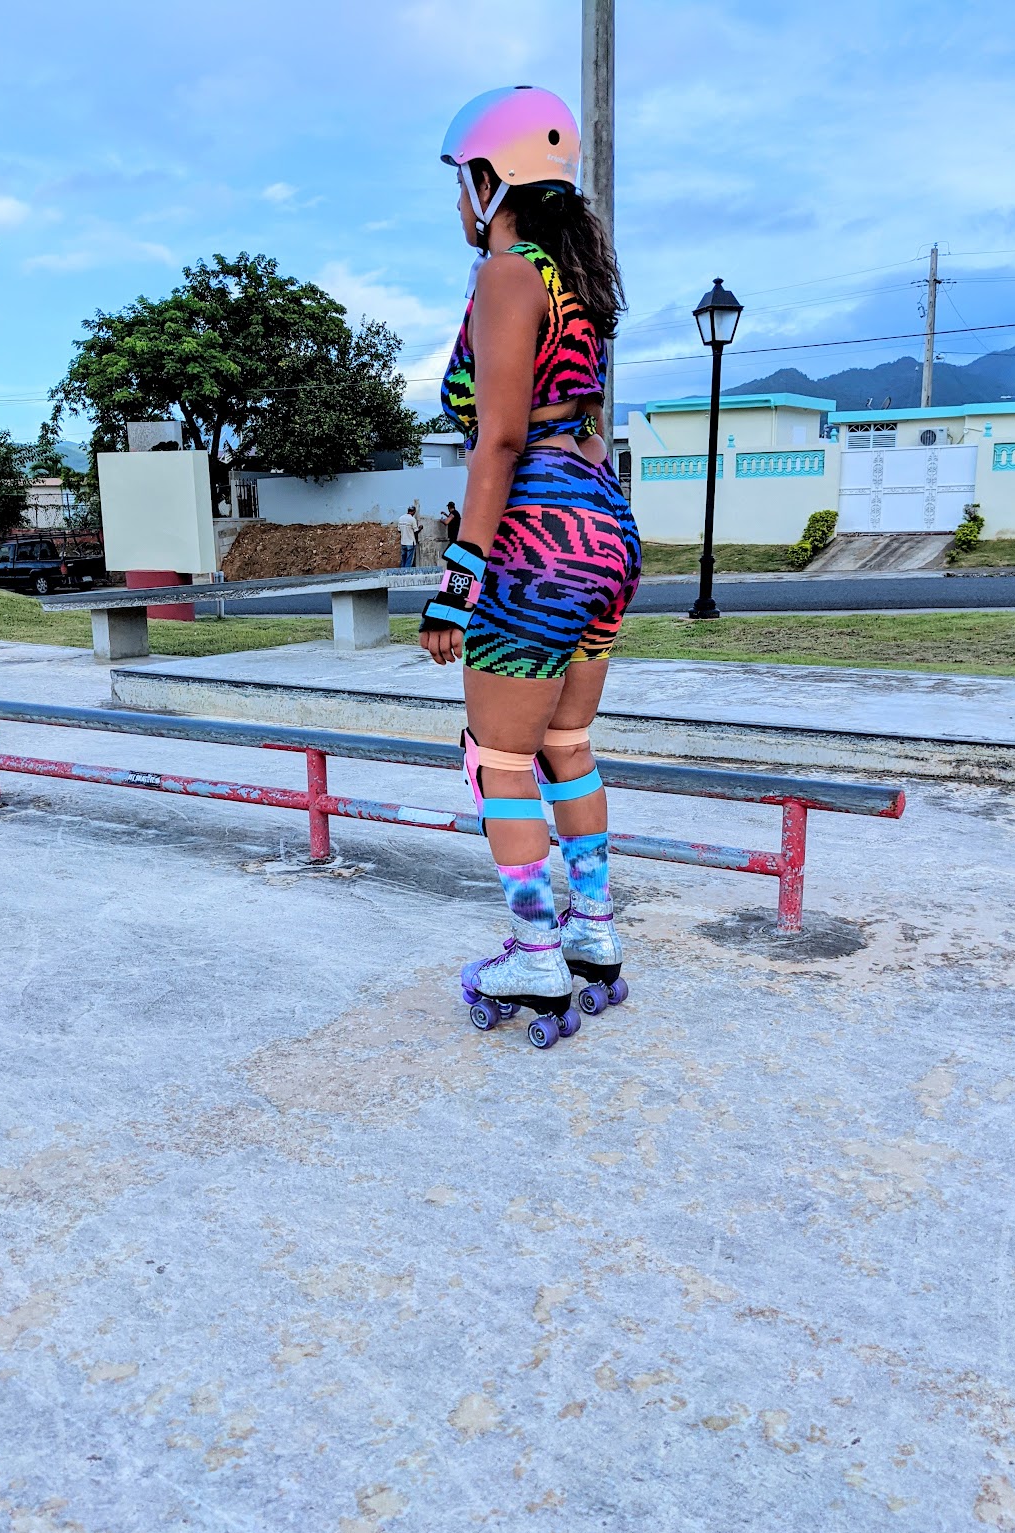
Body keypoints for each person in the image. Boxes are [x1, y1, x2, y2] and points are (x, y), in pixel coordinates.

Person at [419, 85, 638, 1049]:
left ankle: (536, 954)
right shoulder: (576, 284)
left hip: (536, 533)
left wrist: (458, 582)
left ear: (489, 177)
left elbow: (499, 441)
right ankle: (592, 935)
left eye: (461, 182)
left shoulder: (509, 274)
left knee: (498, 758)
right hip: (602, 527)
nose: (459, 203)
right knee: (567, 745)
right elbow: (577, 428)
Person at [397, 502, 420, 567]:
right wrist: (420, 528)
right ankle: (406, 572)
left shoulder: (400, 518)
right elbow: (416, 531)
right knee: (408, 561)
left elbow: (399, 530)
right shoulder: (412, 519)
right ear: (413, 512)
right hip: (410, 543)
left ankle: (402, 572)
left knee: (403, 560)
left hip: (403, 542)